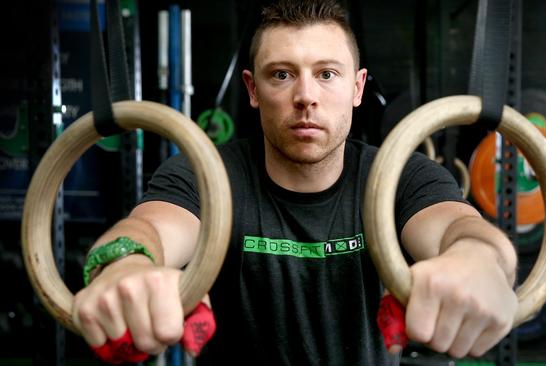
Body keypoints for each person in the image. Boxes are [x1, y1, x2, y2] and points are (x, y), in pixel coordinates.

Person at [72, 0, 518, 364]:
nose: (306, 96)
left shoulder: (401, 176)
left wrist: (477, 256)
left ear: (358, 87)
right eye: (282, 75)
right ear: (251, 89)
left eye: (327, 74)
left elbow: (455, 226)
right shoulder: (205, 175)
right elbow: (151, 228)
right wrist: (127, 262)